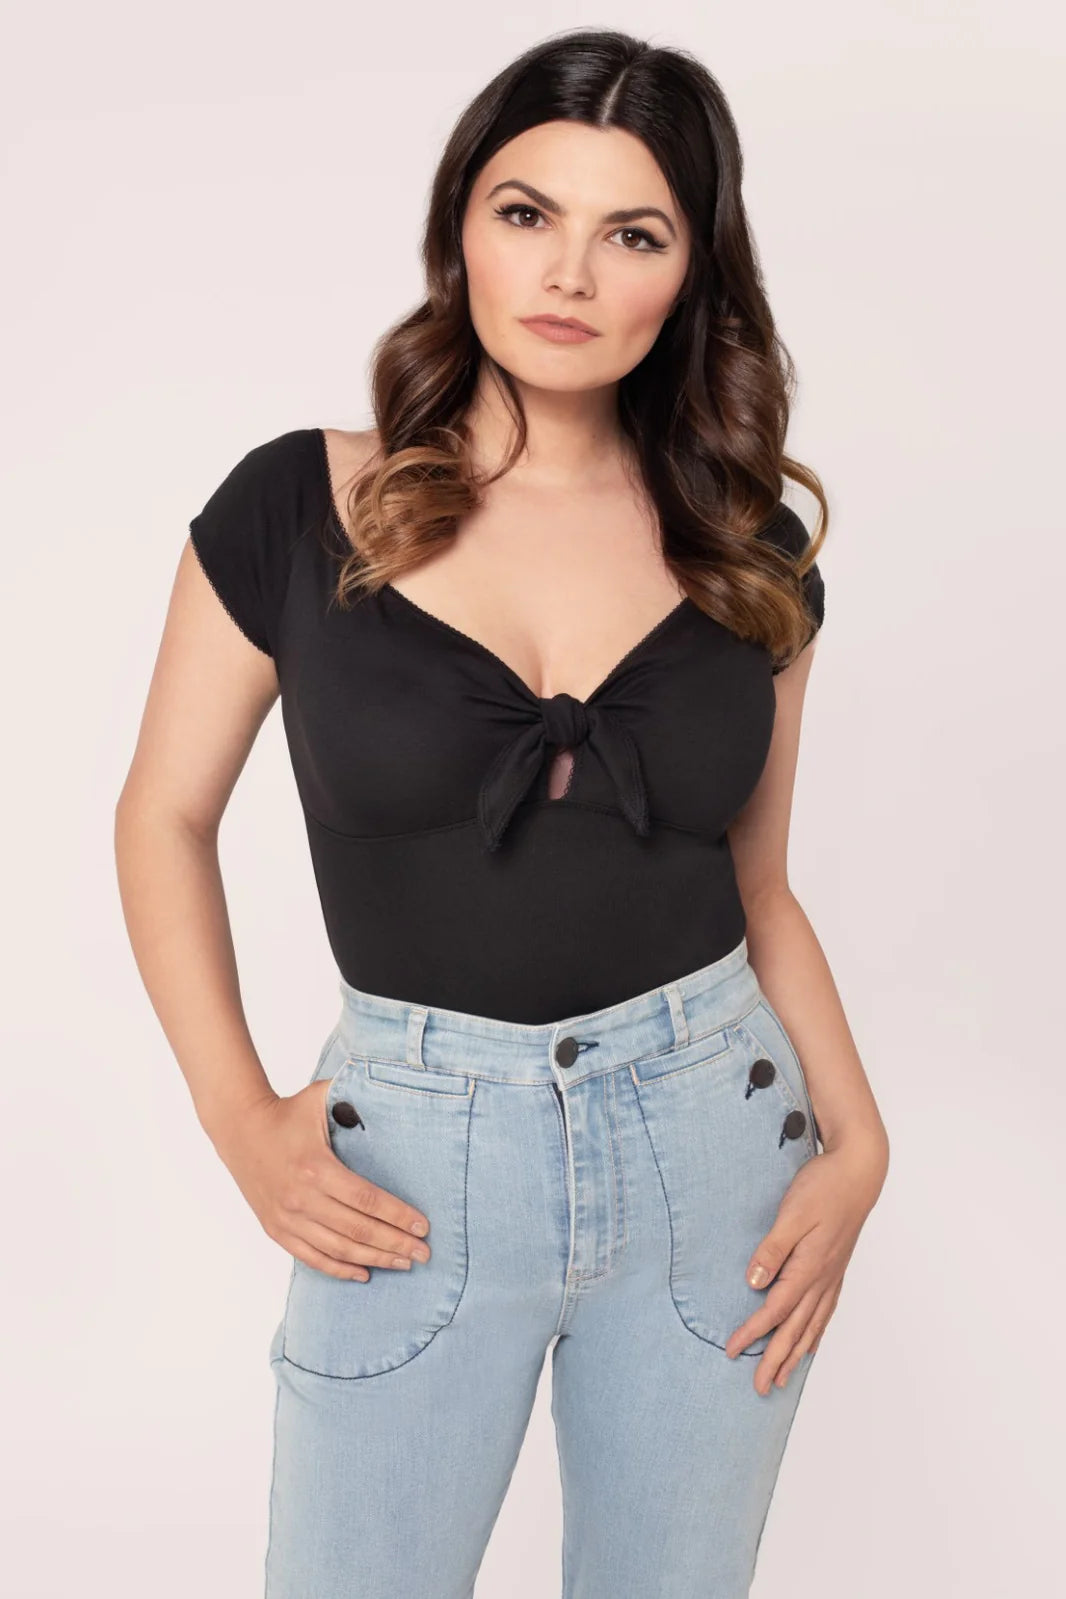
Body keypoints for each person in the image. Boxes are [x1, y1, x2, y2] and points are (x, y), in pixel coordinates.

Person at [115, 27, 889, 1599]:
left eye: (633, 233)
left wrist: (859, 1144)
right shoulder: (295, 505)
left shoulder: (747, 550)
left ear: (693, 272)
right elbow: (161, 819)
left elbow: (760, 888)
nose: (568, 274)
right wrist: (236, 1117)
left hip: (712, 1145)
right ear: (458, 223)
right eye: (527, 213)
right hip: (406, 1157)